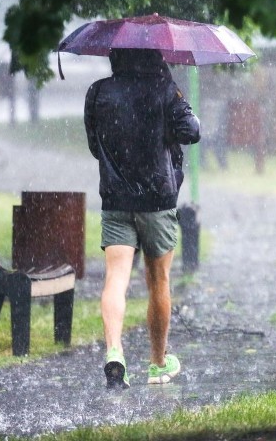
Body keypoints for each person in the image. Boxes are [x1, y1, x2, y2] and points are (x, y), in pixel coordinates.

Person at [84, 48, 200, 388]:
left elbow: (95, 146)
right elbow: (191, 132)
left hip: (116, 198)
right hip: (157, 200)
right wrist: (178, 101)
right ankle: (158, 363)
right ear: (154, 57)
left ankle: (115, 352)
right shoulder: (165, 89)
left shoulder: (98, 92)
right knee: (158, 281)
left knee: (116, 278)